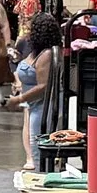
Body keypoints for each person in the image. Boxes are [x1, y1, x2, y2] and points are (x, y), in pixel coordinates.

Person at [13, 13, 64, 157]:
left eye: (31, 28)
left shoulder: (47, 55)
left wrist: (18, 99)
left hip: (43, 107)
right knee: (34, 143)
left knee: (39, 146)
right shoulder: (37, 52)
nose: (27, 31)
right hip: (34, 105)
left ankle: (41, 174)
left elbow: (43, 86)